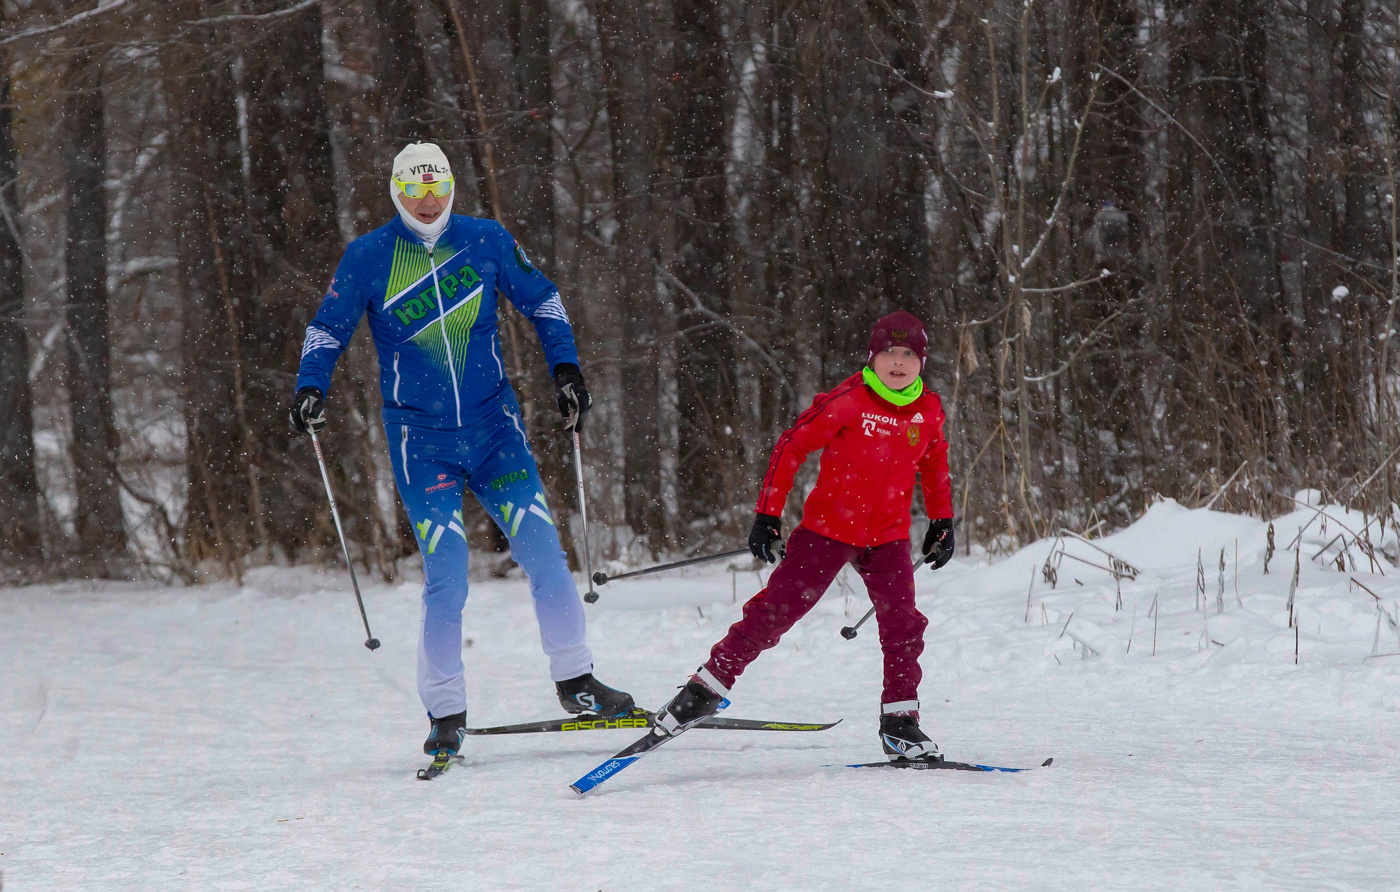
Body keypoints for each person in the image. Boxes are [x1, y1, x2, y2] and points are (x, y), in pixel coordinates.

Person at [289, 143, 634, 759]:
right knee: (447, 580)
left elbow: (545, 301)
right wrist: (310, 386)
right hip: (421, 443)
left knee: (547, 560)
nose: (428, 200)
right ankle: (446, 710)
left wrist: (567, 372)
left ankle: (576, 679)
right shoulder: (368, 256)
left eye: (438, 187)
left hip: (495, 430)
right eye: (416, 189)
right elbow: (327, 328)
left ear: (452, 187)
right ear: (397, 190)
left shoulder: (486, 240)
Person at [651, 310, 956, 761]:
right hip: (828, 531)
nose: (897, 361)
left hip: (889, 538)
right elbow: (791, 444)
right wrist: (767, 516)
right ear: (872, 356)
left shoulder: (928, 410)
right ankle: (705, 689)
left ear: (921, 361)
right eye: (888, 351)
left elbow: (933, 464)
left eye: (908, 353)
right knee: (775, 612)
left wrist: (942, 521)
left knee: (904, 627)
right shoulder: (849, 399)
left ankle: (900, 723)